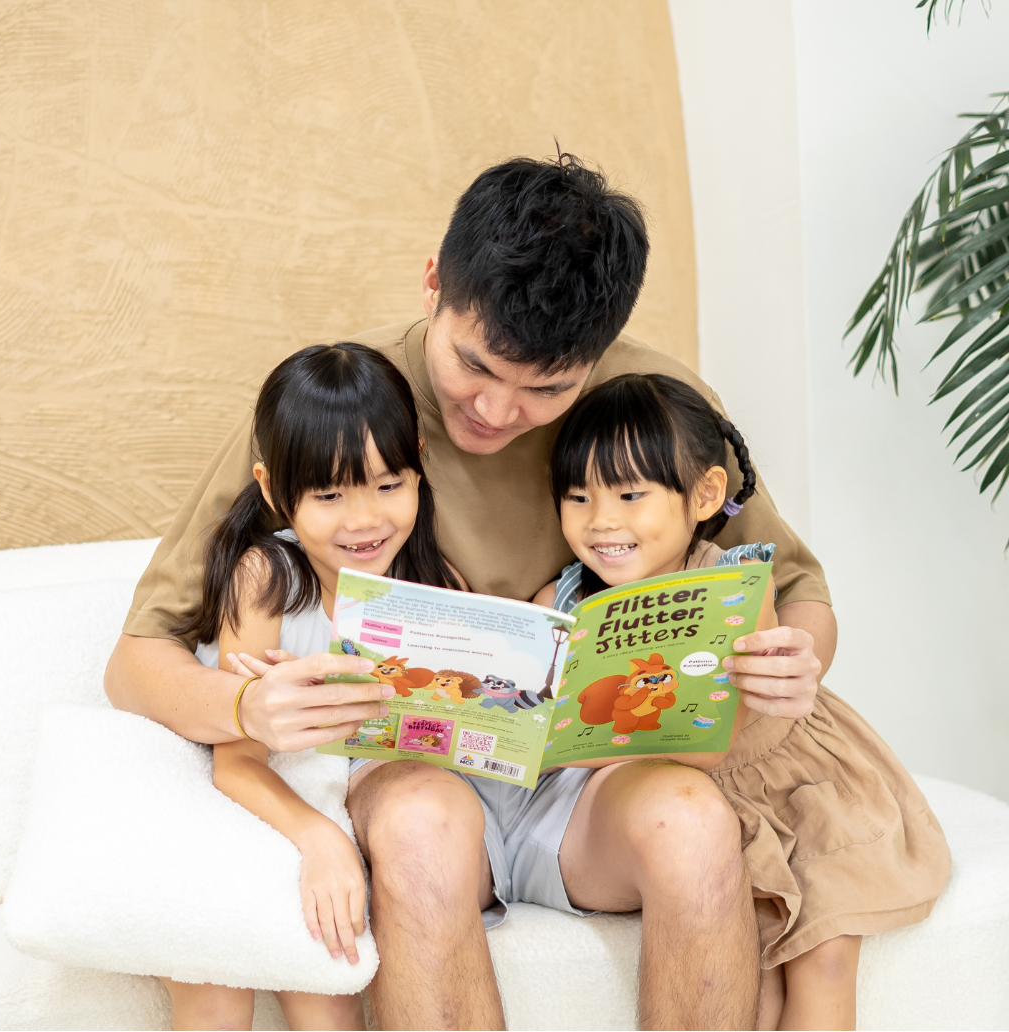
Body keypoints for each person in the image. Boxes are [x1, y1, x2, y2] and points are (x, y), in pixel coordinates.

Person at [105, 154, 836, 1029]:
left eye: (547, 390)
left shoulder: (649, 406)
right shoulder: (342, 407)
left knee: (694, 822)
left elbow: (796, 593)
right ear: (432, 286)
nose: (495, 410)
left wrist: (796, 665)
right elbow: (137, 659)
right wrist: (248, 709)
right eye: (473, 365)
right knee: (420, 824)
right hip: (420, 770)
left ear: (596, 358)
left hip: (587, 778)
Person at [534, 373, 950, 1031]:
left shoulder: (734, 585)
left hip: (779, 777)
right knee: (747, 972)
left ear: (704, 495)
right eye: (577, 496)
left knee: (823, 952)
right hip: (679, 798)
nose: (600, 520)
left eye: (630, 494)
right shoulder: (560, 601)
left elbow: (718, 732)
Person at [165, 342, 459, 1030]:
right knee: (215, 987)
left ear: (419, 463)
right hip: (247, 800)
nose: (364, 520)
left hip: (337, 805)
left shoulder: (436, 590)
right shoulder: (267, 580)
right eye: (328, 495)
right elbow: (236, 763)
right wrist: (322, 841)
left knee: (327, 977)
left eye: (390, 485)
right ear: (273, 489)